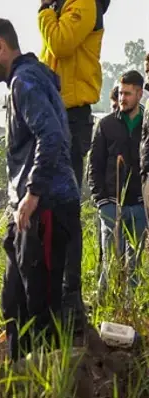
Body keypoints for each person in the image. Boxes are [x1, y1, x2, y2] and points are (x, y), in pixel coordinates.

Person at [0, 18, 80, 363]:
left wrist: (33, 193)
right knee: (14, 303)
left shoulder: (25, 83)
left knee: (41, 311)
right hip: (29, 212)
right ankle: (19, 392)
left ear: (1, 47)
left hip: (46, 208)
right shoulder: (28, 81)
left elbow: (51, 136)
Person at [38, 0, 109, 339]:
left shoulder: (83, 4)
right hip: (57, 115)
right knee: (50, 210)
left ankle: (70, 299)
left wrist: (43, 12)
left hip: (73, 118)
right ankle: (53, 297)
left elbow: (61, 43)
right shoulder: (61, 7)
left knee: (65, 210)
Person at [89, 71, 145, 294]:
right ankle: (106, 306)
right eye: (121, 93)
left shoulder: (147, 124)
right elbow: (94, 165)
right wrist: (101, 200)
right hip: (112, 204)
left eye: (128, 94)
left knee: (135, 265)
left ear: (140, 94)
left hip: (140, 205)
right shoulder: (106, 125)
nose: (122, 98)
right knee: (110, 263)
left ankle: (131, 312)